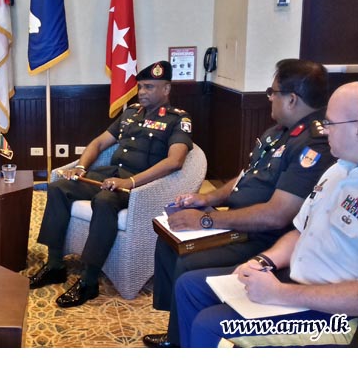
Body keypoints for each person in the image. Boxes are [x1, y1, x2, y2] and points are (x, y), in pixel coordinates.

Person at [143, 58, 337, 347]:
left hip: (264, 238)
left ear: (292, 99)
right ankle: (177, 332)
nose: (269, 98)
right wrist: (206, 198)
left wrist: (207, 220)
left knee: (188, 262)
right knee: (169, 242)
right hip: (238, 222)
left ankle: (181, 340)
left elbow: (276, 216)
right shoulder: (278, 132)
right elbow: (245, 177)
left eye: (273, 92)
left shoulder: (314, 144)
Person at [174, 81, 358, 347]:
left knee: (211, 325)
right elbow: (301, 231)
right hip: (294, 280)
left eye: (331, 123)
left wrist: (281, 293)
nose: (324, 129)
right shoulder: (338, 169)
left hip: (334, 314)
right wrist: (264, 261)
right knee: (191, 287)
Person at [27, 61, 194, 307]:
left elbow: (175, 161)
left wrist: (130, 181)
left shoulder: (177, 119)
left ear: (166, 89)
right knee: (58, 187)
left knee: (104, 200)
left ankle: (89, 280)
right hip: (111, 175)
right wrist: (81, 167)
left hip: (140, 185)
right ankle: (54, 265)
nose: (142, 92)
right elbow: (98, 143)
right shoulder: (130, 113)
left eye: (149, 87)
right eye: (140, 87)